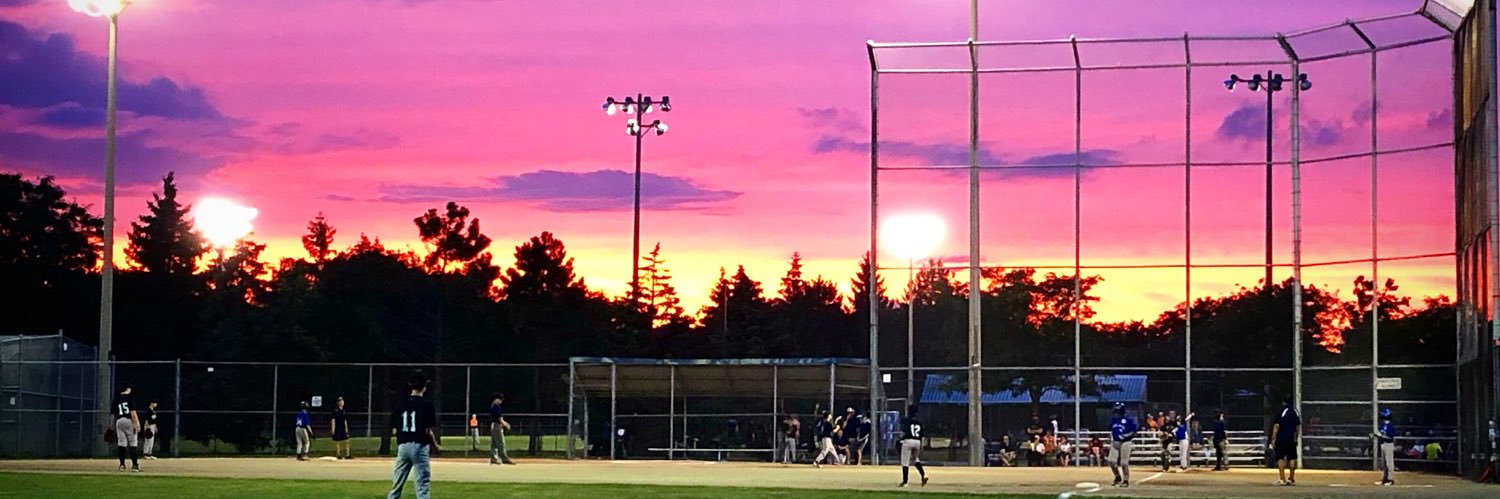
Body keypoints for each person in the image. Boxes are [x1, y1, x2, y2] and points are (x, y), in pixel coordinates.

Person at [389, 371, 439, 499]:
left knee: (397, 482)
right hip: (419, 445)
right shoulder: (427, 405)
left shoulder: (400, 404)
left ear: (410, 385)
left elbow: (395, 429)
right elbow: (428, 431)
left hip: (403, 445)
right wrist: (435, 445)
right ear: (424, 387)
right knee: (422, 483)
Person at [1270, 396, 1301, 486]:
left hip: (1281, 438)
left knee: (1280, 457)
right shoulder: (1295, 411)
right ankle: (1291, 478)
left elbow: (1276, 425)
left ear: (1283, 402)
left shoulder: (1282, 411)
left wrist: (1273, 438)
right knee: (1292, 457)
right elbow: (1297, 427)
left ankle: (1282, 478)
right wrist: (1296, 437)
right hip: (1291, 438)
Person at [111, 385, 141, 472]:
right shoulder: (129, 397)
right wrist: (136, 423)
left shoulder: (116, 399)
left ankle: (122, 465)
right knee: (133, 443)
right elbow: (132, 411)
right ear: (127, 389)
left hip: (119, 421)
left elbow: (112, 415)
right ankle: (135, 465)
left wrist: (112, 426)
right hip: (129, 421)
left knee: (121, 443)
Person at [898, 404, 928, 487]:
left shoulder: (907, 421)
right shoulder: (919, 422)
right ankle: (923, 475)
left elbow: (904, 432)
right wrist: (922, 445)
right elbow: (922, 435)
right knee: (915, 459)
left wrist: (899, 439)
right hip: (917, 442)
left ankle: (905, 482)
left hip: (908, 441)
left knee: (905, 461)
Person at [1107, 402, 1137, 488]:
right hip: (1115, 442)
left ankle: (1126, 480)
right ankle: (1117, 477)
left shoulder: (1128, 420)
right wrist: (1110, 437)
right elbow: (1112, 430)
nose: (1115, 413)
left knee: (1124, 463)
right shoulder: (1113, 420)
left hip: (1126, 442)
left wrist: (1126, 435)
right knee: (1111, 461)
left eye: (1117, 412)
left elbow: (1133, 432)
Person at [487, 392, 514, 465]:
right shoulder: (496, 407)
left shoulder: (492, 406)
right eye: (500, 400)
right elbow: (499, 418)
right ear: (497, 399)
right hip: (496, 426)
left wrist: (504, 423)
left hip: (493, 425)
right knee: (500, 442)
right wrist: (506, 424)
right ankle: (504, 458)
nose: (501, 402)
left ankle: (493, 458)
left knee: (494, 443)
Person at [1372, 408, 1396, 486]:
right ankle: (1384, 479)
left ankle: (1390, 479)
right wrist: (1377, 435)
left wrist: (1381, 436)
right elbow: (1379, 434)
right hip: (1383, 445)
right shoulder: (1382, 425)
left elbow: (1390, 438)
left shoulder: (1390, 426)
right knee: (1384, 463)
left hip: (1388, 445)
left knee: (1389, 463)